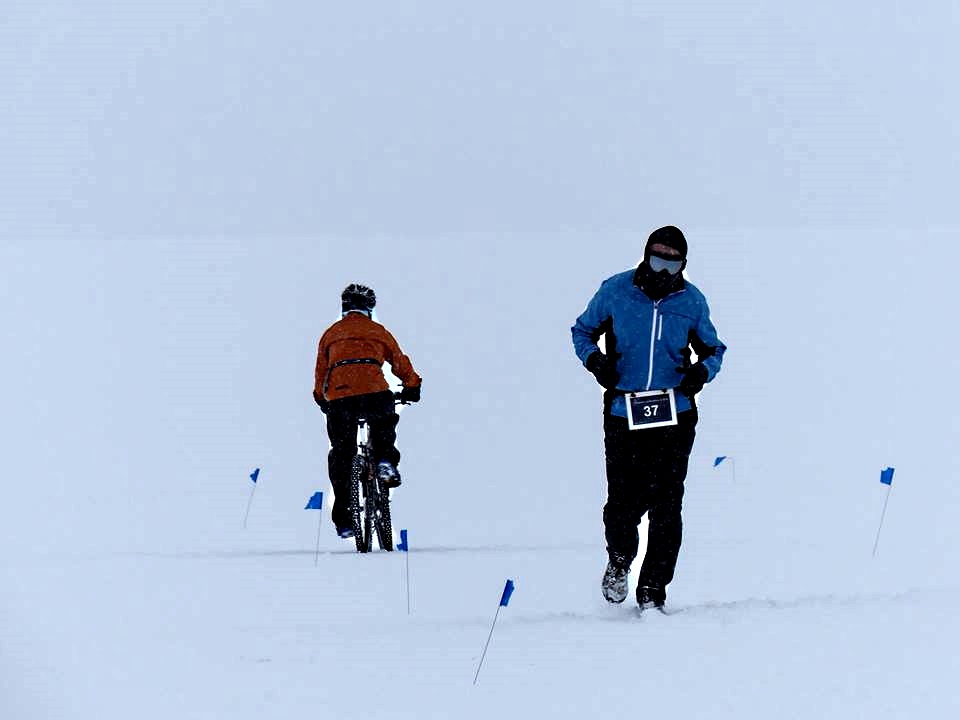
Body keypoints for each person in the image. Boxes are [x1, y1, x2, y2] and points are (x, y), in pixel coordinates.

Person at [571, 226, 726, 610]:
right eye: (655, 259)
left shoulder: (691, 301)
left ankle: (652, 591)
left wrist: (700, 373)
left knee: (667, 504)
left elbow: (714, 350)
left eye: (670, 263)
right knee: (623, 500)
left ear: (682, 265)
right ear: (644, 256)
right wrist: (596, 362)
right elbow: (582, 332)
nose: (661, 270)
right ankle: (620, 560)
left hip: (676, 413)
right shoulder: (616, 290)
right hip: (625, 411)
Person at [314, 283, 422, 538]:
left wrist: (321, 398)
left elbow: (321, 372)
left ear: (344, 308)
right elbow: (399, 361)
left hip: (340, 397)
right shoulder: (377, 331)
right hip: (374, 392)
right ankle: (384, 461)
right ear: (369, 308)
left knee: (342, 454)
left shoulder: (330, 334)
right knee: (383, 425)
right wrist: (412, 386)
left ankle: (345, 520)